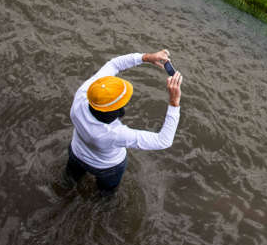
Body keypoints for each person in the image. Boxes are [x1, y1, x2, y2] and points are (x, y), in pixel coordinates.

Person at [64, 49, 182, 195]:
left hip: (76, 153)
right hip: (107, 168)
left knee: (69, 180)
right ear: (114, 109)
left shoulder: (83, 95)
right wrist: (174, 102)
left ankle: (65, 191)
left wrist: (147, 57)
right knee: (105, 194)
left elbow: (114, 64)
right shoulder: (115, 134)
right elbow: (163, 141)